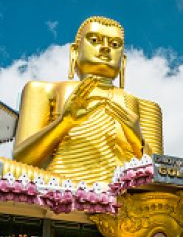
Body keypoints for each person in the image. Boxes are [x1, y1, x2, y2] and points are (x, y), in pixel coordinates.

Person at [12, 16, 162, 184]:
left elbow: (161, 177)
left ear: (123, 61)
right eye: (94, 40)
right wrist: (64, 122)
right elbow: (21, 160)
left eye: (114, 44)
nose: (105, 48)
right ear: (75, 51)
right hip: (61, 190)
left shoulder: (144, 107)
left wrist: (137, 139)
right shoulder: (44, 90)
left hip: (126, 200)